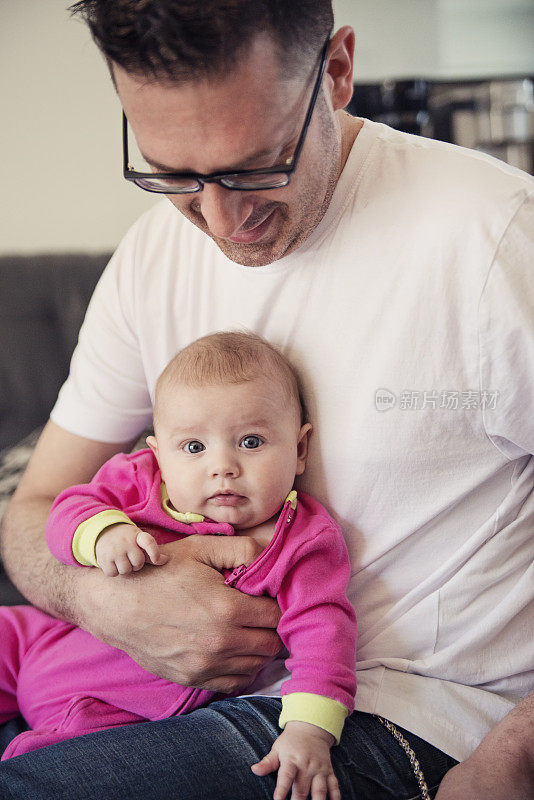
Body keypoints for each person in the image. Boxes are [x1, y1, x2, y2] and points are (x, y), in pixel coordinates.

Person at [0, 1, 532, 798]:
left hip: (406, 719)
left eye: (258, 166)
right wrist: (106, 602)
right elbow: (36, 505)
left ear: (338, 71)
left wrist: (515, 755)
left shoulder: (495, 238)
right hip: (163, 701)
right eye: (174, 173)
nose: (220, 219)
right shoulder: (154, 252)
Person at [0, 332, 356, 800]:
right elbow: (67, 508)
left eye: (250, 441)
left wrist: (309, 730)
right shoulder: (136, 479)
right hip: (42, 636)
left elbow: (324, 633)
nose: (223, 466)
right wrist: (103, 533)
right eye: (193, 448)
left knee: (38, 773)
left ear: (300, 448)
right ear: (159, 453)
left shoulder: (302, 540)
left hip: (107, 706)